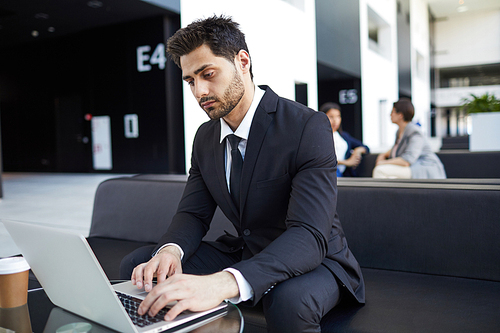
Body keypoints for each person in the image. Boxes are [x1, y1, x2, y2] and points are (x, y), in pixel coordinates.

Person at [120, 15, 365, 332]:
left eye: (208, 74)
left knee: (290, 301)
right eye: (190, 81)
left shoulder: (307, 125)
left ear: (243, 61)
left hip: (316, 258)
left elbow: (308, 234)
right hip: (245, 252)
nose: (199, 91)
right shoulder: (205, 137)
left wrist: (223, 282)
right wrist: (170, 250)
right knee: (141, 270)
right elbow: (194, 213)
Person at [373, 98, 446, 179]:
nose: (390, 115)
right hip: (412, 167)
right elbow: (396, 148)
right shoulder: (400, 132)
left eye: (392, 112)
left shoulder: (415, 132)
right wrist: (383, 154)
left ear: (400, 115)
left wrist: (383, 163)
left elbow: (407, 160)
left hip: (423, 168)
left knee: (380, 170)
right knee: (391, 177)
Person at [319, 102, 369, 177]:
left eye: (338, 116)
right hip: (327, 173)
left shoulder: (343, 136)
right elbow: (321, 160)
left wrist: (357, 151)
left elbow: (365, 147)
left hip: (343, 174)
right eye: (331, 117)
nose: (335, 120)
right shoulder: (319, 136)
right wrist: (346, 162)